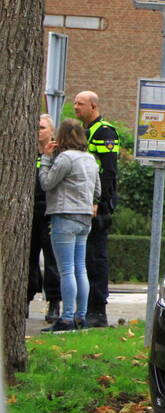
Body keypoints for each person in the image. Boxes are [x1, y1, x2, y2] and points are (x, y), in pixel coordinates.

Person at [38, 119, 101, 332]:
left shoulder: (65, 158)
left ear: (62, 136)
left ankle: (66, 318)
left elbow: (47, 183)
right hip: (85, 217)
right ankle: (81, 316)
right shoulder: (90, 159)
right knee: (80, 268)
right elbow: (97, 191)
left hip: (64, 215)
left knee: (66, 270)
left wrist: (46, 159)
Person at [74, 90, 119, 328]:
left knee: (95, 257)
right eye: (74, 103)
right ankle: (84, 308)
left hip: (97, 205)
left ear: (93, 106)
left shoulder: (104, 132)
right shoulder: (84, 130)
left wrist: (99, 203)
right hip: (83, 201)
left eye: (80, 103)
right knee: (83, 257)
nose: (75, 107)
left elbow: (109, 171)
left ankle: (98, 311)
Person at [29, 114, 62, 322]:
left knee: (51, 258)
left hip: (49, 209)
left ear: (51, 131)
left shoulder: (58, 155)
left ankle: (53, 302)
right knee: (28, 257)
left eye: (42, 127)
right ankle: (25, 298)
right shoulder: (26, 152)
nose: (38, 131)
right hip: (28, 210)